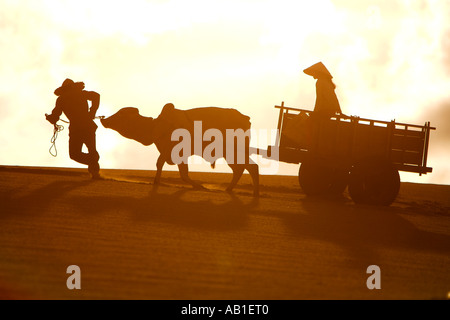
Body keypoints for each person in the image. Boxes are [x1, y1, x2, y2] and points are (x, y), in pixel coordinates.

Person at [45, 78, 102, 179]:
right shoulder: (81, 93)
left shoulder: (61, 99)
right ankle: (94, 165)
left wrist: (49, 118)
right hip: (87, 125)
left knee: (75, 154)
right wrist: (92, 112)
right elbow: (96, 96)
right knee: (91, 150)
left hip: (76, 128)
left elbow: (55, 116)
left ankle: (93, 164)